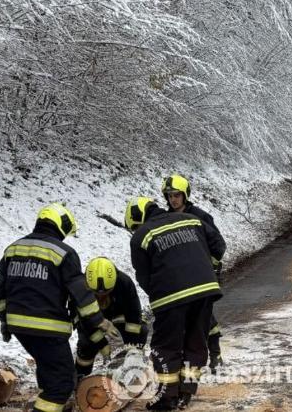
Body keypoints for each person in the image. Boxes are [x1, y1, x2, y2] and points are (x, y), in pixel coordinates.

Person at [0, 203, 117, 412]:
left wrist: (5, 321)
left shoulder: (14, 248)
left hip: (19, 327)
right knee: (62, 384)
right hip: (49, 328)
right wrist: (100, 322)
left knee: (48, 368)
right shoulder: (63, 253)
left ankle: (47, 400)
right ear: (61, 226)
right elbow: (81, 294)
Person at [125, 196, 226, 410]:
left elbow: (144, 277)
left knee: (166, 347)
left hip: (171, 297)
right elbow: (218, 245)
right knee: (195, 342)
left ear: (137, 220)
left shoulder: (142, 236)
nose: (135, 231)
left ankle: (167, 398)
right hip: (205, 290)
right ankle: (186, 391)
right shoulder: (190, 219)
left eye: (133, 228)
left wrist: (159, 296)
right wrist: (207, 267)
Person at [161, 174, 225, 370]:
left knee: (204, 315)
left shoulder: (200, 216)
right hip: (181, 276)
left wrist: (210, 265)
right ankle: (189, 357)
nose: (173, 199)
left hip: (202, 275)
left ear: (185, 195)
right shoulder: (166, 218)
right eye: (170, 195)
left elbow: (218, 244)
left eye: (177, 195)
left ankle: (215, 354)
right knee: (188, 316)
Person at [74, 256, 147, 377]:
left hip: (119, 317)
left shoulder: (124, 283)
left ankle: (132, 370)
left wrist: (131, 349)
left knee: (141, 331)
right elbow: (84, 324)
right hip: (93, 322)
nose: (101, 297)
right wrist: (104, 346)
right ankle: (80, 377)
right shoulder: (80, 288)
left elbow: (134, 318)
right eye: (96, 294)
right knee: (86, 344)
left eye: (106, 293)